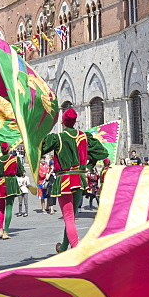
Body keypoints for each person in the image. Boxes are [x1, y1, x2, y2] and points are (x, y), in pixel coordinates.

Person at [42, 108, 107, 253]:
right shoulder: (84, 137)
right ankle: (64, 247)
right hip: (79, 178)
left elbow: (38, 150)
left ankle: (76, 251)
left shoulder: (58, 138)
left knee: (69, 218)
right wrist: (88, 165)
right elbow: (103, 152)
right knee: (72, 216)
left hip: (64, 180)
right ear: (75, 121)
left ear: (63, 122)